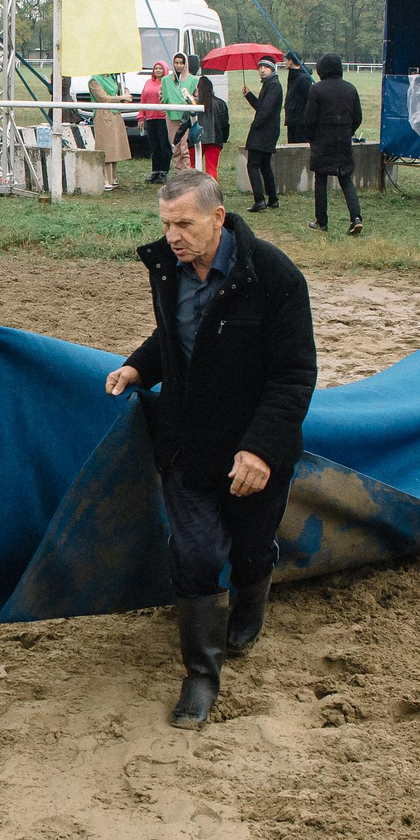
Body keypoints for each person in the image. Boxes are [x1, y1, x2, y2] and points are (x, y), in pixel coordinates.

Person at [104, 171, 317, 728]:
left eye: (184, 224)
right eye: (166, 224)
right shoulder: (167, 269)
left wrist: (261, 451)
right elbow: (171, 337)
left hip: (255, 450)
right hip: (188, 443)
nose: (173, 235)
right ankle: (201, 675)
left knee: (250, 549)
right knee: (196, 555)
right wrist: (136, 366)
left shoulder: (274, 276)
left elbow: (294, 375)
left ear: (218, 218)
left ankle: (250, 606)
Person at [302, 53, 364, 234]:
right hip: (343, 140)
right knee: (346, 180)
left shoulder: (317, 89)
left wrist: (311, 137)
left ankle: (322, 222)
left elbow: (310, 118)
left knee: (320, 180)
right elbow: (358, 117)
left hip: (322, 140)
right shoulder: (350, 89)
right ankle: (356, 217)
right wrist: (347, 132)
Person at [241, 55, 285, 213]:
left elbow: (265, 111)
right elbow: (261, 106)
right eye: (260, 67)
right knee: (265, 165)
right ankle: (272, 199)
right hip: (268, 131)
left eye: (265, 67)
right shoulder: (270, 84)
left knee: (252, 165)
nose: (262, 70)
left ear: (272, 68)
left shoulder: (273, 85)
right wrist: (249, 95)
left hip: (264, 132)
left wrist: (255, 125)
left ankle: (259, 200)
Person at [138, 61, 174, 182]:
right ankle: (155, 171)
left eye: (160, 68)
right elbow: (143, 100)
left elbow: (172, 97)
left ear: (165, 70)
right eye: (156, 68)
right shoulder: (148, 83)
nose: (158, 70)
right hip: (150, 118)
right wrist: (140, 117)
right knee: (154, 146)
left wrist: (168, 110)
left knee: (164, 145)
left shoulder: (168, 82)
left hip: (163, 119)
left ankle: (164, 172)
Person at [190, 74, 229, 182]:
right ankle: (212, 192)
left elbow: (186, 122)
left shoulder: (194, 105)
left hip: (196, 138)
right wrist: (224, 138)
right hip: (214, 138)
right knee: (211, 168)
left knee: (193, 167)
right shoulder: (220, 103)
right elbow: (225, 123)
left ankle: (192, 191)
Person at [164, 52, 200, 169]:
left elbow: (196, 97)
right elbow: (164, 97)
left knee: (184, 147)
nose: (179, 66)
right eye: (176, 63)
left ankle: (186, 172)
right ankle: (178, 172)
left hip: (185, 118)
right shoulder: (166, 80)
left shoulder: (193, 79)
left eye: (181, 63)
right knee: (175, 146)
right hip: (171, 116)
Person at [282, 51, 313, 145]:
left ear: (291, 61)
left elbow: (309, 99)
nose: (285, 62)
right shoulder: (292, 76)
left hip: (301, 121)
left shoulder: (303, 78)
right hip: (292, 120)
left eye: (286, 60)